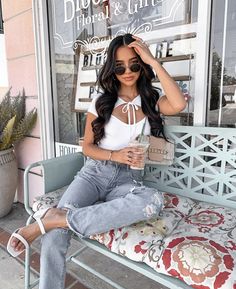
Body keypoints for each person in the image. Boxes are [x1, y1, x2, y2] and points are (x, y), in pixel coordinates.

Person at [7, 33, 186, 289]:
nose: (128, 71)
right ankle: (55, 234)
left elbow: (178, 104)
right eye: (120, 65)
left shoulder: (151, 100)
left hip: (129, 178)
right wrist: (115, 154)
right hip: (94, 174)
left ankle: (56, 218)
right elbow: (88, 148)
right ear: (111, 68)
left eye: (135, 64)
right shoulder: (101, 100)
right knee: (55, 237)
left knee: (152, 201)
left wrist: (153, 61)